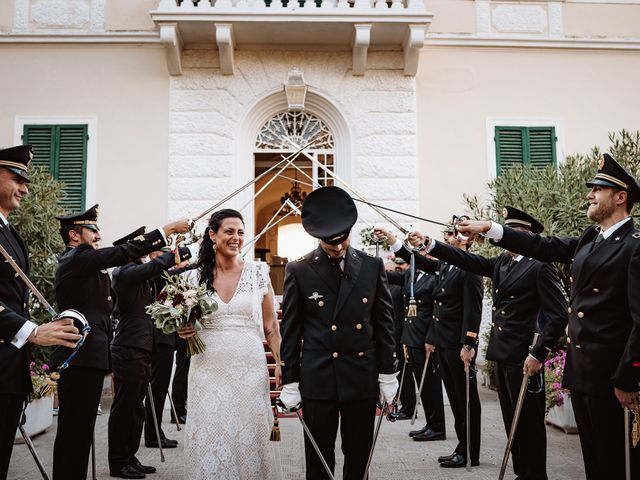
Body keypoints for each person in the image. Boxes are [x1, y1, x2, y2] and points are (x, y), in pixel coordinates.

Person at [456, 153, 640, 479]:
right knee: (594, 462)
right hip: (583, 371)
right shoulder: (589, 238)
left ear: (621, 197)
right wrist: (492, 229)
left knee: (617, 463)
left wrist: (628, 376)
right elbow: (544, 246)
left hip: (612, 375)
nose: (590, 194)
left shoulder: (635, 245)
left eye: (598, 189)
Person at [407, 206, 569, 479]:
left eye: (511, 232)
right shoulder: (503, 263)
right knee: (511, 423)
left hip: (524, 356)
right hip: (502, 353)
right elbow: (467, 261)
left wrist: (539, 353)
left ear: (524, 236)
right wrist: (429, 244)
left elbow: (558, 314)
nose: (505, 238)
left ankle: (534, 474)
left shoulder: (540, 265)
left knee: (528, 423)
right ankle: (521, 472)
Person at [50, 204, 191, 480]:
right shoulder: (76, 258)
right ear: (74, 236)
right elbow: (124, 253)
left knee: (80, 433)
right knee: (74, 433)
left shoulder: (86, 265)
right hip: (79, 355)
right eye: (92, 230)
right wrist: (168, 230)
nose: (98, 235)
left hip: (92, 355)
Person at [279, 186, 398, 480]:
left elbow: (384, 324)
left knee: (358, 455)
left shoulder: (372, 266)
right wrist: (290, 380)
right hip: (319, 376)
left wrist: (388, 374)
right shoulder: (300, 269)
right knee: (319, 457)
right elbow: (291, 330)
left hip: (360, 374)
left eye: (342, 241)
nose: (338, 248)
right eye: (330, 244)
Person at [178, 208, 283, 479]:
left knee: (248, 431)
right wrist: (182, 329)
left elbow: (271, 327)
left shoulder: (259, 273)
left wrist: (281, 363)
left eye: (240, 232)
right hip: (207, 368)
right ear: (212, 235)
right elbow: (180, 323)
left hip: (249, 368)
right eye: (229, 231)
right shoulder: (192, 278)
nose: (236, 237)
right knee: (210, 430)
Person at [0, 144, 81, 480]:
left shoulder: (10, 232)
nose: (25, 188)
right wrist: (30, 331)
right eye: (18, 178)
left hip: (8, 371)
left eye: (28, 181)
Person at [377, 222, 483, 468]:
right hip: (443, 342)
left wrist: (468, 343)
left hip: (458, 345)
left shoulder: (470, 267)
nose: (447, 236)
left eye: (453, 233)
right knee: (456, 399)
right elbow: (418, 262)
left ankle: (469, 451)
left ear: (467, 240)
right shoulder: (446, 265)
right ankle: (462, 446)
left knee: (466, 400)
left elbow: (473, 310)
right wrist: (395, 240)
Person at [108, 228, 196, 479]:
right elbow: (153, 267)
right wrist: (175, 253)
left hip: (142, 347)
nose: (146, 251)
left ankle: (130, 456)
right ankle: (117, 461)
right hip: (128, 347)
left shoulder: (140, 273)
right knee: (124, 406)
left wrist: (194, 256)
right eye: (142, 247)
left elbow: (166, 271)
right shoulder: (124, 272)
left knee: (136, 406)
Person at [384, 251, 446, 440]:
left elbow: (438, 308)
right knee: (422, 384)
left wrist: (432, 337)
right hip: (412, 337)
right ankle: (430, 423)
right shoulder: (412, 273)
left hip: (426, 338)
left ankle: (438, 427)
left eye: (419, 251)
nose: (416, 255)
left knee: (430, 384)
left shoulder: (434, 274)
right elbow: (392, 276)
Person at [384, 258, 416, 420]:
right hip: (391, 334)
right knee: (397, 371)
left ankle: (409, 407)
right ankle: (403, 404)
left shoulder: (400, 286)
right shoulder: (386, 286)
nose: (388, 272)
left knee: (405, 371)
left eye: (392, 269)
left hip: (400, 334)